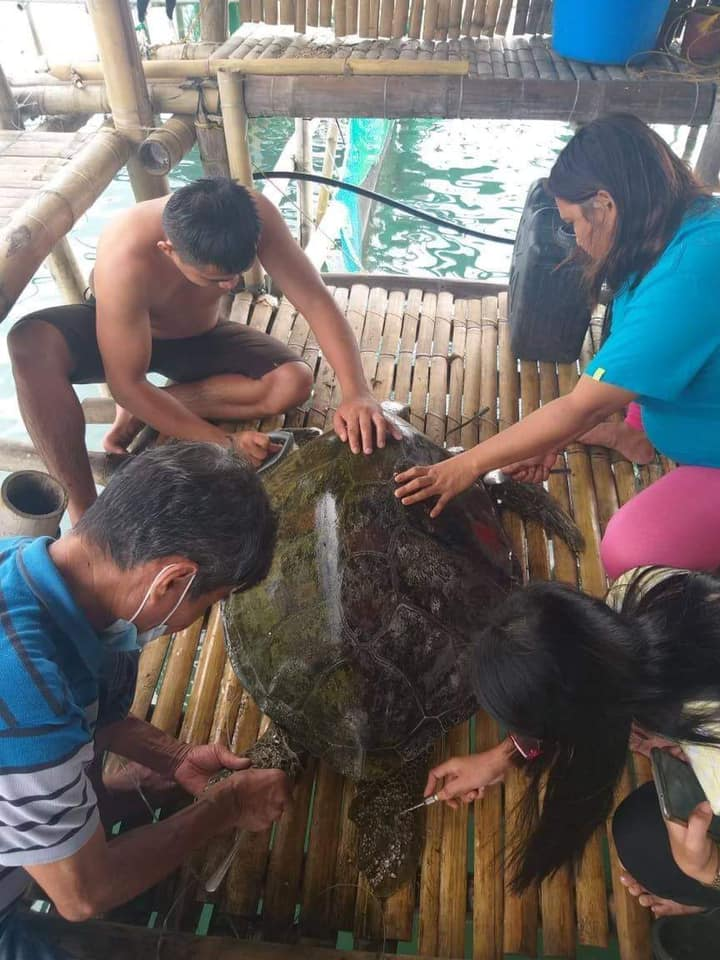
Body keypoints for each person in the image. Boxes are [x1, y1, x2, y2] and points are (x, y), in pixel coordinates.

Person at [394, 114, 720, 578]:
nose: (577, 240)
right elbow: (628, 362)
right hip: (696, 400)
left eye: (572, 223)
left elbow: (583, 407)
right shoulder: (678, 226)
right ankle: (637, 433)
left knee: (629, 553)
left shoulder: (692, 271)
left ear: (604, 204)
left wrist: (464, 466)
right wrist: (553, 443)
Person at [0, 441, 290, 959]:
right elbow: (83, 894)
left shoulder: (23, 565)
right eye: (210, 601)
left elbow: (84, 707)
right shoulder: (26, 690)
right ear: (173, 579)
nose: (198, 618)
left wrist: (175, 758)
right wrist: (228, 806)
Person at [9, 177, 398, 524]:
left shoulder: (253, 214)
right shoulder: (125, 255)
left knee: (293, 382)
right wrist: (224, 443)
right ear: (168, 250)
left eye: (236, 274)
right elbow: (125, 384)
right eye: (214, 278)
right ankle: (83, 509)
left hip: (197, 337)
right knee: (28, 344)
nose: (229, 286)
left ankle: (157, 405)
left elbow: (315, 300)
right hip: (121, 335)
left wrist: (356, 392)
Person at [424, 566, 720, 920]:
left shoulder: (713, 768)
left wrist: (705, 869)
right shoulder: (633, 592)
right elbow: (578, 679)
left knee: (643, 846)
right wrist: (502, 757)